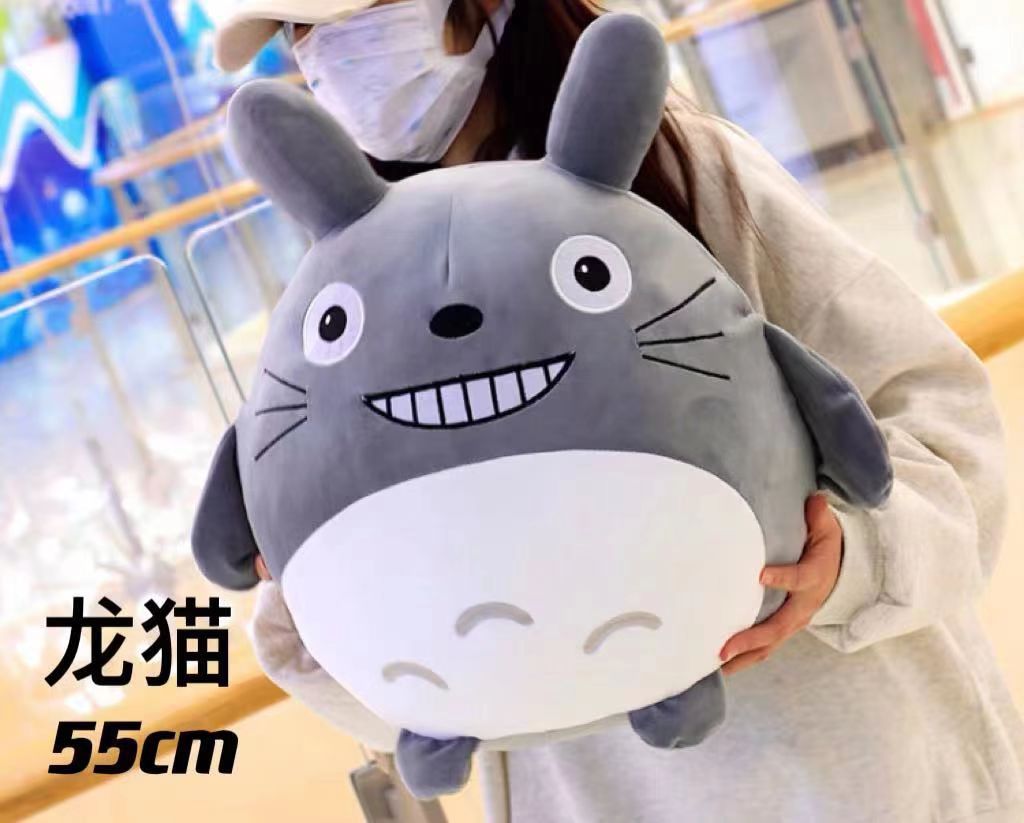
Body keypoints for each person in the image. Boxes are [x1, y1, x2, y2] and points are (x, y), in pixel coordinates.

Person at [216, 2, 1024, 820]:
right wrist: (330, 599)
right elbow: (385, 690)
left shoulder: (684, 174)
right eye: (297, 32)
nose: (326, 52)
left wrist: (850, 560)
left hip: (856, 777)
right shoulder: (352, 283)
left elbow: (943, 420)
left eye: (356, 13)